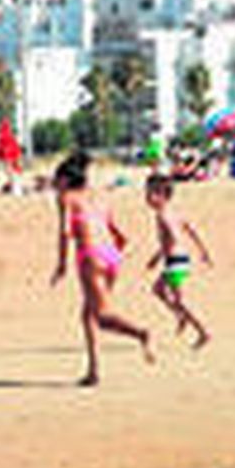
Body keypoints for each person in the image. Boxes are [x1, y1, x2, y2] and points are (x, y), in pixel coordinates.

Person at [50, 152, 153, 386]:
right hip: (111, 255)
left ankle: (140, 333)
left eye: (56, 180)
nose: (54, 185)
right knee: (88, 315)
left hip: (90, 255)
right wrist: (110, 255)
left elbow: (65, 232)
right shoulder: (98, 197)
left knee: (102, 316)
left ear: (65, 180)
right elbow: (120, 236)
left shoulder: (66, 198)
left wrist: (61, 265)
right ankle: (93, 371)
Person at [144, 174, 214, 349]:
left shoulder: (163, 216)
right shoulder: (173, 212)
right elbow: (190, 229)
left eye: (150, 194)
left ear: (162, 195)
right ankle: (180, 315)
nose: (147, 198)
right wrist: (203, 251)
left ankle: (203, 331)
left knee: (180, 300)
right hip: (179, 259)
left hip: (174, 261)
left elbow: (173, 238)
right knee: (158, 289)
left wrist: (158, 255)